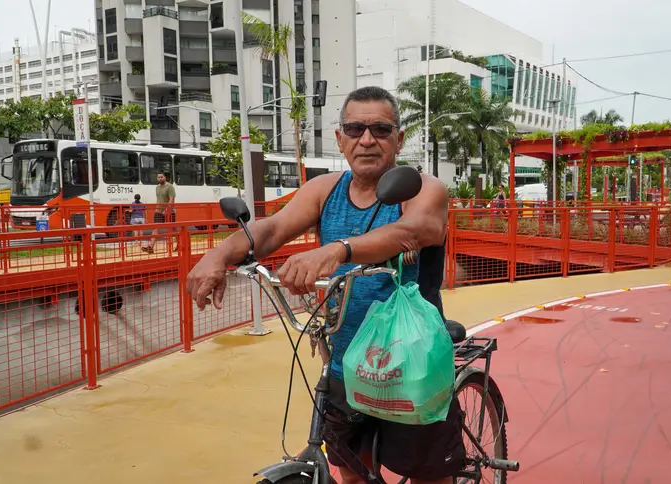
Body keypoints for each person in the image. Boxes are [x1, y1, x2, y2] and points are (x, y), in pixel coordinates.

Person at [185, 86, 463, 484]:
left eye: (381, 130)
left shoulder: (421, 188)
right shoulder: (325, 189)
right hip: (345, 360)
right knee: (349, 471)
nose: (367, 139)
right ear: (340, 138)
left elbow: (415, 230)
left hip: (411, 361)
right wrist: (219, 255)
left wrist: (338, 249)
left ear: (399, 139)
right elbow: (273, 227)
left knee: (429, 478)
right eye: (355, 128)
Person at [142, 173, 175, 253]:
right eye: (158, 177)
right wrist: (157, 209)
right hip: (158, 211)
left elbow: (172, 199)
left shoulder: (170, 187)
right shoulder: (157, 187)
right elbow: (159, 199)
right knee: (155, 229)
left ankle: (179, 245)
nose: (160, 178)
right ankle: (150, 247)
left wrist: (167, 210)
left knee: (173, 229)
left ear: (165, 177)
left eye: (161, 177)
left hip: (169, 211)